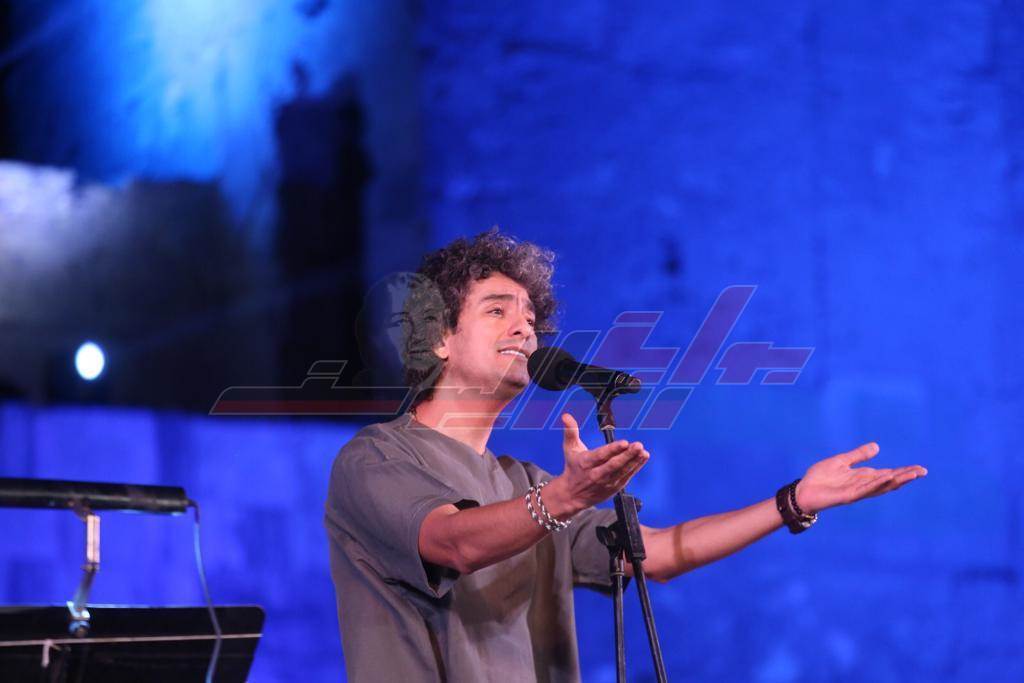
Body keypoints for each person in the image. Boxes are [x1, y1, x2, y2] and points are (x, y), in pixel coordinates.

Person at [324, 229, 927, 682]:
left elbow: (654, 554)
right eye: (497, 310)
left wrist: (792, 501)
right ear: (438, 336)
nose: (525, 330)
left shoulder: (520, 481)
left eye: (531, 318)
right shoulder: (375, 459)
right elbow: (453, 542)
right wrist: (562, 498)